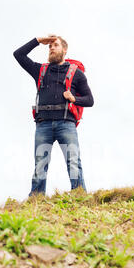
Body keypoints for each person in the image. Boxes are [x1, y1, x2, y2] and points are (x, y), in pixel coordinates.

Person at [13, 35, 94, 197]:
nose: (51, 48)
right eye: (49, 46)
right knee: (40, 164)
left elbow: (90, 100)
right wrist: (37, 40)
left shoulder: (77, 74)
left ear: (64, 50)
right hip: (43, 125)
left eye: (55, 45)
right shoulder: (40, 70)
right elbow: (18, 54)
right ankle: (36, 199)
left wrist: (74, 99)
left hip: (66, 124)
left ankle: (79, 196)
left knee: (73, 162)